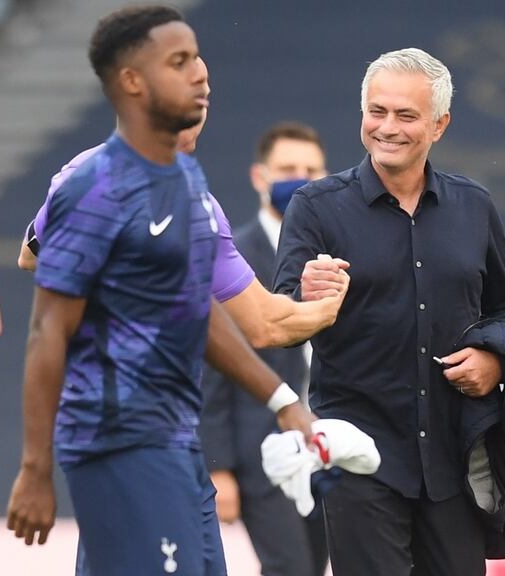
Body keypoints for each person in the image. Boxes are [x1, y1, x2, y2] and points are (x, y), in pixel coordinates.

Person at [3, 7, 314, 576]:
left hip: (178, 443)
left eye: (199, 63)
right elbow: (44, 321)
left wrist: (283, 398)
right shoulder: (93, 182)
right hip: (119, 444)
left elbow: (227, 318)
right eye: (180, 63)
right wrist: (34, 467)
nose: (199, 77)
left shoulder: (191, 190)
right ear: (133, 84)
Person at [273, 48, 505, 576]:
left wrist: (495, 361)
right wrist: (305, 296)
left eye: (406, 115)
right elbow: (279, 322)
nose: (386, 127)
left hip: (455, 463)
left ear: (440, 125)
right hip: (357, 460)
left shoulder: (474, 206)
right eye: (376, 111)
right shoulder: (315, 206)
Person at [16, 76, 347, 350]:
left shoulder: (82, 170)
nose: (201, 107)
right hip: (150, 412)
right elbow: (265, 326)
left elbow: (31, 257)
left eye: (204, 95)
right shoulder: (194, 209)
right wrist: (328, 307)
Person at [201, 122, 330, 576]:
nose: (300, 178)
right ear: (260, 177)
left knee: (313, 568)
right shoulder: (232, 255)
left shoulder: (337, 257)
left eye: (311, 170)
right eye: (288, 168)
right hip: (261, 453)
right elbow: (214, 366)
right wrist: (219, 467)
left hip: (330, 448)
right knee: (290, 570)